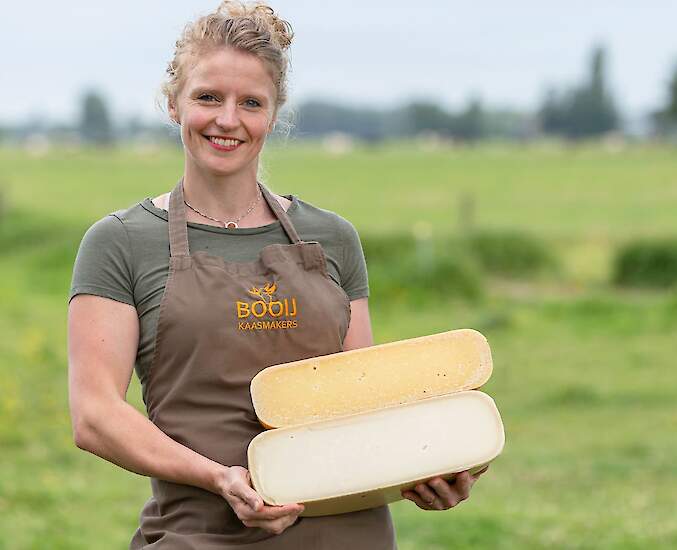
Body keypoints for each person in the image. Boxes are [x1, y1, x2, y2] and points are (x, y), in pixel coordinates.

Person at [67, 2, 485, 547]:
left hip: (348, 536)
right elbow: (95, 414)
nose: (227, 119)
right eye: (208, 97)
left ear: (273, 114)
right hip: (199, 534)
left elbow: (364, 402)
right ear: (174, 104)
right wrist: (220, 478)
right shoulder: (120, 243)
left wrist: (431, 468)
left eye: (251, 103)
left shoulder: (332, 239)